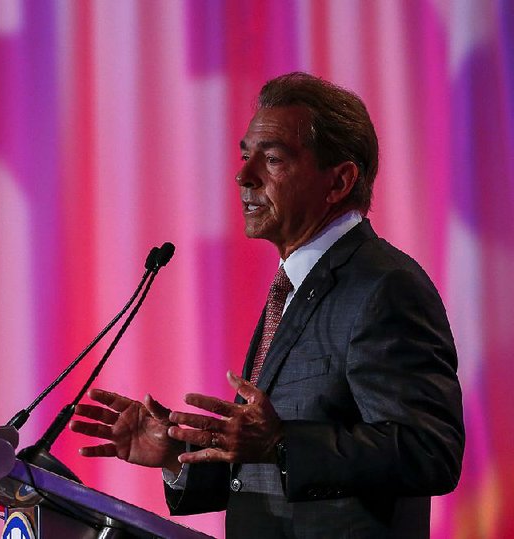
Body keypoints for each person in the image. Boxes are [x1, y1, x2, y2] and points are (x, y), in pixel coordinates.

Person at [69, 72, 464, 538]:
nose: (243, 175)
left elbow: (429, 449)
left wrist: (280, 442)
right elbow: (265, 464)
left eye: (272, 159)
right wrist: (180, 454)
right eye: (245, 155)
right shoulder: (294, 285)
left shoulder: (384, 286)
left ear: (339, 181)